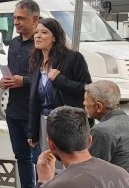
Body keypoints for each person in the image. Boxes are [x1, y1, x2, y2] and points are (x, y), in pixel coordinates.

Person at [0, 0, 42, 188]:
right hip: (13, 109)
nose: (16, 22)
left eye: (21, 18)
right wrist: (5, 81)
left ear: (35, 19)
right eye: (15, 18)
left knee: (40, 159)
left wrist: (22, 81)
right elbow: (12, 72)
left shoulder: (41, 44)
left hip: (34, 112)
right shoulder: (14, 43)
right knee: (21, 157)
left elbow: (46, 79)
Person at [28, 17, 91, 151]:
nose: (38, 36)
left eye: (44, 32)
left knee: (67, 164)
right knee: (48, 163)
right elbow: (34, 101)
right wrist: (32, 131)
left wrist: (60, 80)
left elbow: (87, 89)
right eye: (36, 32)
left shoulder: (73, 58)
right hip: (44, 121)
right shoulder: (37, 62)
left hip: (68, 123)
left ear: (55, 38)